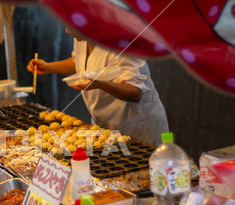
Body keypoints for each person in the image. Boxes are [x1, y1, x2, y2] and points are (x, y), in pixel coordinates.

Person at [27, 28, 169, 146]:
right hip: (104, 125)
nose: (67, 30)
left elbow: (135, 93)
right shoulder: (81, 38)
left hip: (137, 126)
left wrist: (101, 84)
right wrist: (48, 67)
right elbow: (80, 62)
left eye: (71, 24)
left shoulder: (123, 41)